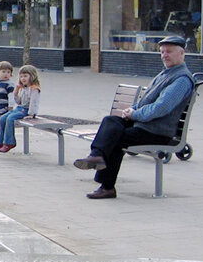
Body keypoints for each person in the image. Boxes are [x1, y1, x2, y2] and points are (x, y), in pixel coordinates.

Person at [74, 35, 194, 199]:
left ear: (181, 53)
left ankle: (107, 186)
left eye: (169, 52)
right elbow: (146, 100)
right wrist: (132, 109)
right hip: (144, 125)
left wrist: (135, 114)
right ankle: (96, 155)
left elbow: (161, 108)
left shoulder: (181, 79)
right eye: (162, 52)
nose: (165, 55)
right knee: (111, 121)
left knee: (116, 139)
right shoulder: (165, 74)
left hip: (158, 132)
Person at [0, 64, 41, 153]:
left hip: (26, 110)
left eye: (25, 76)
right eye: (21, 76)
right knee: (2, 118)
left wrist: (31, 114)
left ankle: (9, 142)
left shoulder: (34, 89)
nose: (23, 79)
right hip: (19, 108)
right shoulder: (22, 88)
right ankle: (0, 142)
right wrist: (16, 93)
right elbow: (19, 102)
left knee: (10, 119)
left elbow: (34, 103)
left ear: (32, 76)